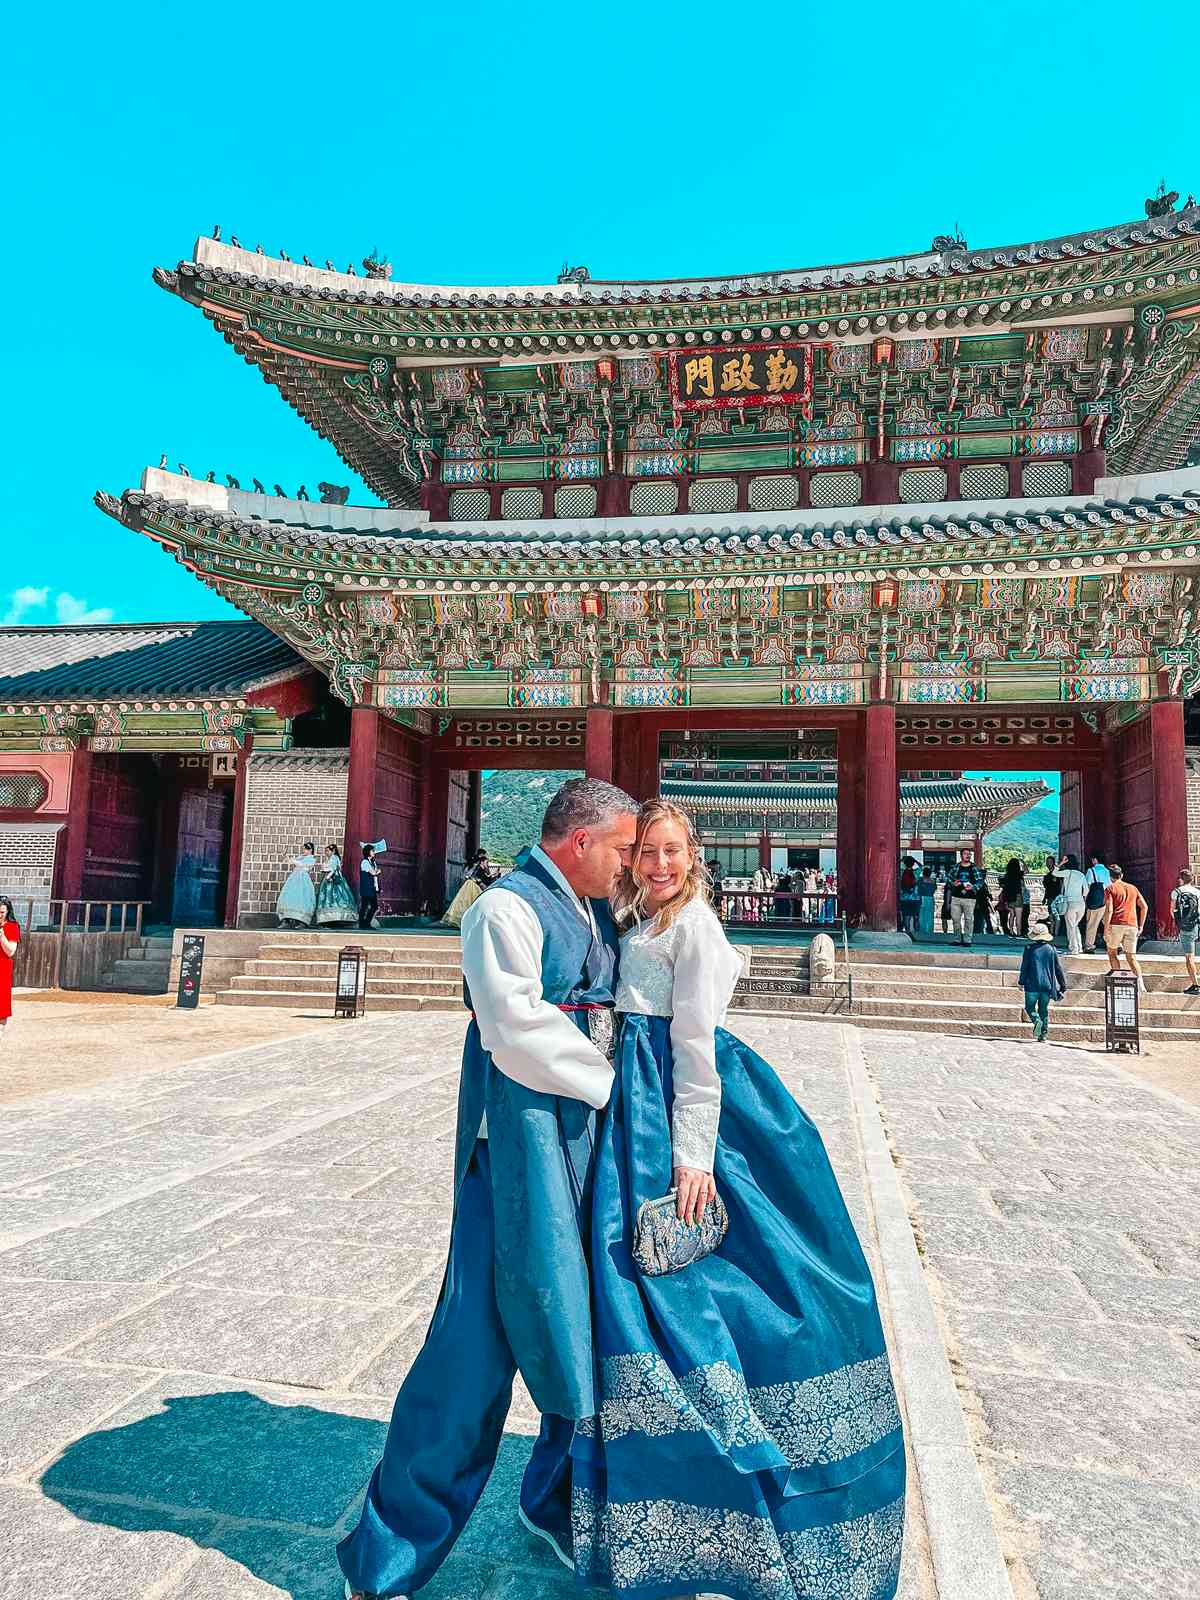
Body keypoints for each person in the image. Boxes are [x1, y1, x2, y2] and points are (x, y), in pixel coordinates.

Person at [575, 798, 905, 1599]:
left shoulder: (698, 933)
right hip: (632, 1108)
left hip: (682, 1115)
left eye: (672, 852)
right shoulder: (639, 921)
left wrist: (693, 1161)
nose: (658, 865)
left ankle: (747, 1480)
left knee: (707, 1291)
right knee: (628, 1298)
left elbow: (696, 1048)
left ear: (695, 857)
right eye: (646, 852)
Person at [337, 778, 639, 1600]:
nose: (628, 864)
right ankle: (390, 1553)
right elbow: (512, 1028)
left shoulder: (594, 910)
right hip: (518, 1148)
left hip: (585, 1144)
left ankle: (553, 1499)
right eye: (621, 848)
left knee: (587, 1327)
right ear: (580, 843)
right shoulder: (504, 909)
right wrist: (615, 1083)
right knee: (469, 1353)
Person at [1018, 923, 1067, 1042]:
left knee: (1030, 1007)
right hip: (1047, 985)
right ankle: (1043, 1035)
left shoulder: (1029, 949)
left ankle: (1036, 1020)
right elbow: (1058, 969)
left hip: (1032, 983)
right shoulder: (1052, 949)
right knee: (1043, 1010)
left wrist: (1021, 981)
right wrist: (1063, 985)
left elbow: (1025, 967)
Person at [1103, 864, 1149, 992]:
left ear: (1110, 877)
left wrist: (1106, 930)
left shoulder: (1110, 888)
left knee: (1112, 953)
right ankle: (1140, 984)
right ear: (1121, 875)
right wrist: (1141, 926)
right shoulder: (1133, 888)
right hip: (1132, 925)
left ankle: (1118, 982)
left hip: (1116, 924)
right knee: (1131, 957)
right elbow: (1144, 906)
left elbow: (1109, 910)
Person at [441, 848, 499, 929]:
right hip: (473, 885)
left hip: (469, 884)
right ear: (482, 860)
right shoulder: (479, 868)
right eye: (486, 862)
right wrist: (494, 876)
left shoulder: (474, 863)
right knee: (473, 903)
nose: (487, 864)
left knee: (463, 903)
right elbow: (486, 880)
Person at [1170, 868, 1200, 994]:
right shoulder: (1197, 892)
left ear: (1181, 879)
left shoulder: (1176, 892)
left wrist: (1180, 922)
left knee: (1189, 957)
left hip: (1185, 928)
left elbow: (1172, 910)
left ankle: (1196, 985)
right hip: (1195, 925)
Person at [947, 850, 986, 946]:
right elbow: (949, 878)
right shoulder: (956, 867)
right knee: (955, 919)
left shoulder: (974, 868)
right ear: (961, 856)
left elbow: (980, 882)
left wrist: (973, 887)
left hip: (969, 898)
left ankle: (967, 940)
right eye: (965, 854)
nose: (967, 856)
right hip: (956, 897)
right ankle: (957, 939)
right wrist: (953, 883)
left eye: (969, 854)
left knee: (968, 919)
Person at [315, 844, 358, 927]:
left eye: (328, 851)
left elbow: (333, 869)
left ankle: (334, 918)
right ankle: (329, 919)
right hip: (329, 878)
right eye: (326, 851)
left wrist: (328, 877)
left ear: (333, 851)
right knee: (328, 898)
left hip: (333, 879)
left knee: (334, 897)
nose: (326, 853)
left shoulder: (334, 858)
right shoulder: (331, 858)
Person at [275, 843, 317, 927]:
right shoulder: (301, 857)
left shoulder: (311, 859)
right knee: (289, 897)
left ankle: (302, 922)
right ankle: (286, 920)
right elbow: (290, 861)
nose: (303, 851)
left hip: (303, 880)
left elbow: (301, 864)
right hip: (294, 879)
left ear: (310, 850)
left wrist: (294, 860)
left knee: (302, 899)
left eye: (305, 849)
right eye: (303, 849)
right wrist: (285, 855)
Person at [1057, 854, 1089, 955]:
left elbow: (1054, 873)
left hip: (1070, 902)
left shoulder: (1067, 872)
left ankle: (1074, 948)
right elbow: (1086, 890)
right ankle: (1079, 947)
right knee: (1075, 926)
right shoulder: (1081, 874)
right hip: (1081, 903)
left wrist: (1061, 863)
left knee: (1071, 926)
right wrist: (1082, 898)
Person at [1083, 853, 1112, 951]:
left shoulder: (1091, 871)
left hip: (1096, 900)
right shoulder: (1108, 871)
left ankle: (1089, 945)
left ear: (1095, 859)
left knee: (1092, 923)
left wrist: (1085, 900)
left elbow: (1087, 887)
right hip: (1107, 899)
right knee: (1108, 923)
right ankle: (1115, 944)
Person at [0, 897, 20, 1035]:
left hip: (2, 969)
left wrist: (1, 936)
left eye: (1, 912)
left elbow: (10, 951)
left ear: (7, 912)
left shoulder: (12, 927)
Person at [998, 859, 1026, 937]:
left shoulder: (1007, 876)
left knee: (1012, 914)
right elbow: (1027, 871)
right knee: (1018, 917)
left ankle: (1010, 930)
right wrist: (1023, 863)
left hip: (1009, 898)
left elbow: (1004, 888)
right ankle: (1019, 933)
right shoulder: (1018, 874)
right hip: (1017, 896)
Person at [359, 845, 383, 930]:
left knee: (371, 906)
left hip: (372, 887)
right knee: (367, 906)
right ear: (368, 852)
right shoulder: (365, 862)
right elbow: (373, 872)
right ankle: (364, 923)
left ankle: (364, 923)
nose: (374, 852)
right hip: (366, 887)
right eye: (372, 851)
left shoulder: (373, 862)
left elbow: (375, 872)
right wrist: (377, 871)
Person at [1042, 854, 1064, 941]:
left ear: (1053, 863)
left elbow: (1061, 885)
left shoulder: (1057, 874)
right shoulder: (1047, 876)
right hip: (1050, 897)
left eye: (1050, 862)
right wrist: (1044, 898)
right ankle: (1052, 932)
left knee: (1056, 916)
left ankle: (1056, 933)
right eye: (1047, 862)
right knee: (1051, 916)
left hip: (1057, 897)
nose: (1048, 864)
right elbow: (1046, 889)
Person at [898, 856, 920, 937]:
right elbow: (922, 866)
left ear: (905, 864)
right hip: (915, 898)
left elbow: (895, 866)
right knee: (916, 917)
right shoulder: (916, 873)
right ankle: (917, 934)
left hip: (904, 897)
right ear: (913, 864)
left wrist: (901, 860)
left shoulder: (901, 872)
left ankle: (907, 933)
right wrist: (915, 860)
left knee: (906, 917)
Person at [918, 864, 938, 935]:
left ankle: (922, 930)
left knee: (921, 915)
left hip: (922, 897)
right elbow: (935, 888)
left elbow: (918, 888)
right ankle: (929, 930)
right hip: (930, 897)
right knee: (930, 915)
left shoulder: (920, 880)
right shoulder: (933, 881)